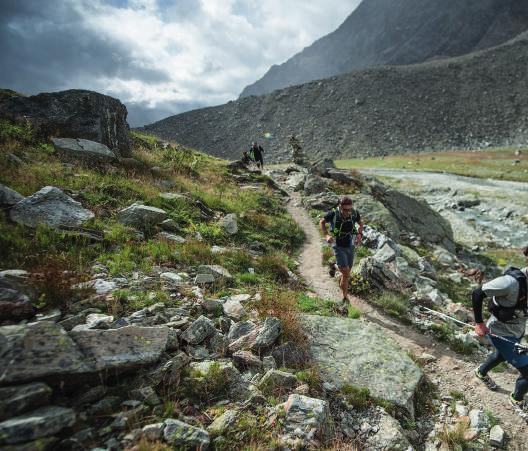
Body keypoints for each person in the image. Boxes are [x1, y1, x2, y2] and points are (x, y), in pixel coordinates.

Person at [472, 266, 528, 413]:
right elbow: (478, 293)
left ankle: (481, 372)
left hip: (517, 331)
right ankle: (517, 399)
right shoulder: (510, 282)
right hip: (500, 332)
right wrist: (479, 323)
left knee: (501, 355)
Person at [319, 196, 363, 306]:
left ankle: (334, 266)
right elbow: (322, 222)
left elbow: (361, 223)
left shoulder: (354, 213)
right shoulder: (333, 213)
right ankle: (345, 298)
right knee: (346, 273)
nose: (348, 212)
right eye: (345, 209)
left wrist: (359, 234)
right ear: (340, 207)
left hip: (350, 244)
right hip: (337, 245)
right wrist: (326, 235)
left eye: (349, 209)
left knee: (347, 272)